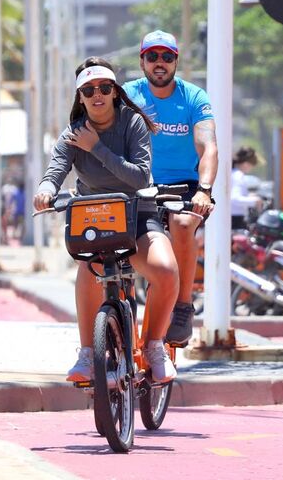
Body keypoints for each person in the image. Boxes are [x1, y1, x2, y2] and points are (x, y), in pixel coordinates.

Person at [33, 57, 179, 383]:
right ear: (80, 97)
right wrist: (45, 189)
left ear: (114, 91)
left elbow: (140, 178)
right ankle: (87, 353)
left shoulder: (132, 124)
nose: (96, 95)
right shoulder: (73, 133)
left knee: (166, 271)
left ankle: (154, 346)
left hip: (137, 215)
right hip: (94, 220)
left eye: (103, 88)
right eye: (88, 90)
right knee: (88, 268)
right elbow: (56, 169)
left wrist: (96, 147)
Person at [123, 30, 218, 346]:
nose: (159, 63)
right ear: (142, 62)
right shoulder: (127, 95)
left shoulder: (194, 98)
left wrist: (204, 189)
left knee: (181, 223)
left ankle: (182, 306)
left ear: (176, 61)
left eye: (167, 57)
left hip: (184, 187)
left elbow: (209, 148)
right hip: (138, 183)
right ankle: (114, 311)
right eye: (153, 57)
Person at [231, 146, 263, 230]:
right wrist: (255, 201)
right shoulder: (238, 176)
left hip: (232, 218)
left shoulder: (233, 173)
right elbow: (235, 199)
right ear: (246, 164)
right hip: (235, 220)